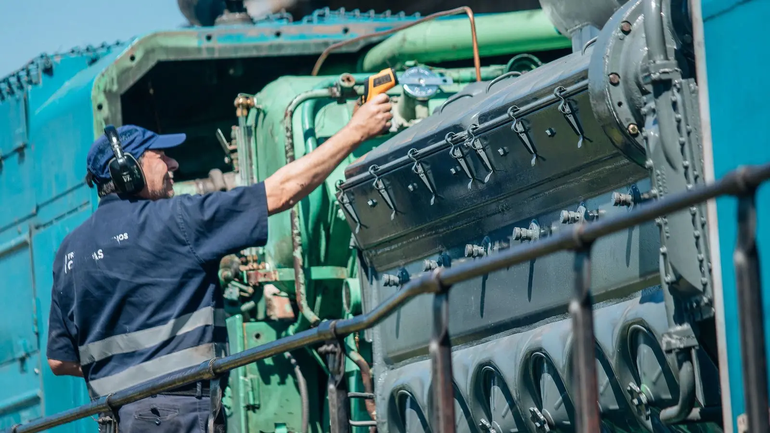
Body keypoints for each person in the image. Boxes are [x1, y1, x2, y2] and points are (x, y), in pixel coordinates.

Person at [45, 93, 392, 432]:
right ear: (128, 170)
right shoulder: (175, 220)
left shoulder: (68, 253)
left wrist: (125, 375)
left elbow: (59, 360)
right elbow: (282, 191)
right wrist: (356, 131)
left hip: (114, 421)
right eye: (162, 156)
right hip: (180, 416)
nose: (173, 165)